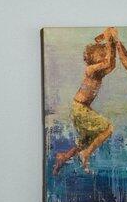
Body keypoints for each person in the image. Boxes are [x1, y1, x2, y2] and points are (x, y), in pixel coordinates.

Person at [50, 28, 120, 175]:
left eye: (104, 54)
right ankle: (86, 154)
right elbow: (108, 62)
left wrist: (112, 44)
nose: (104, 56)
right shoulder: (90, 70)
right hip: (80, 108)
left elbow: (112, 65)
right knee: (108, 129)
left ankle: (63, 157)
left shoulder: (99, 72)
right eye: (100, 55)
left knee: (85, 141)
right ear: (90, 57)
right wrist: (109, 40)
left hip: (81, 108)